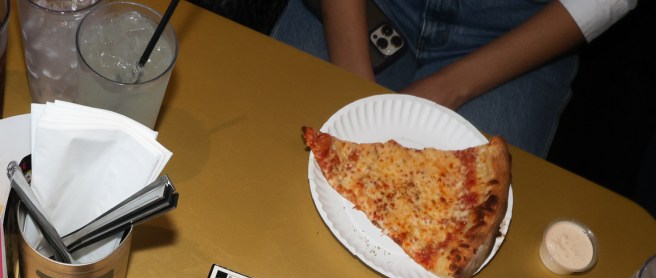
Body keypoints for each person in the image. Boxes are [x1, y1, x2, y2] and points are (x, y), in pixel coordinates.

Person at [270, 0, 637, 158]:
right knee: (273, 156)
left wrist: (450, 87)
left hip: (520, 29)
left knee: (451, 216)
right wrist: (354, 86)